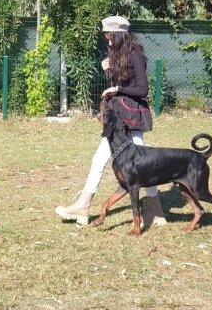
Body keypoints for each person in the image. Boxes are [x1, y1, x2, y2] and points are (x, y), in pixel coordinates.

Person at [55, 15, 166, 227]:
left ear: (118, 34)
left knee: (139, 163)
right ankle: (154, 211)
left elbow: (142, 89)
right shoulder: (118, 53)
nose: (106, 39)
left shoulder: (135, 55)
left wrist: (117, 88)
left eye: (108, 35)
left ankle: (153, 210)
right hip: (120, 115)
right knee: (104, 159)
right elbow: (121, 80)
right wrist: (108, 71)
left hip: (132, 116)